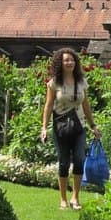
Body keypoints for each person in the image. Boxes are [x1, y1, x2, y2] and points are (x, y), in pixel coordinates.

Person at [40, 47, 99, 210]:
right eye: (66, 60)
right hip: (61, 128)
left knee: (80, 159)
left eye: (72, 60)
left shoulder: (81, 82)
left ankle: (75, 197)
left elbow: (86, 105)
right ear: (60, 62)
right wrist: (44, 127)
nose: (69, 63)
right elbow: (48, 105)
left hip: (79, 126)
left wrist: (93, 125)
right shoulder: (54, 83)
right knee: (64, 162)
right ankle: (63, 199)